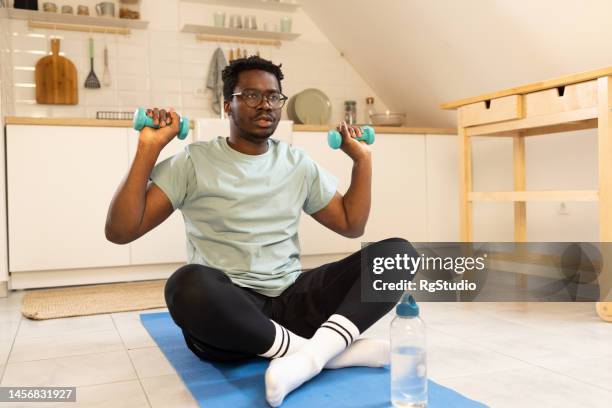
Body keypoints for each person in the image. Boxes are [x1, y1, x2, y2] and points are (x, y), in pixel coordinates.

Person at [105, 56, 417, 407]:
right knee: (185, 284)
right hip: (231, 313)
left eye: (273, 96)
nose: (265, 104)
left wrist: (362, 160)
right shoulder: (193, 161)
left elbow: (350, 224)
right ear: (228, 104)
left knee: (399, 253)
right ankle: (326, 353)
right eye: (252, 95)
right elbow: (121, 231)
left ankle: (308, 356)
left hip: (293, 299)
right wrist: (149, 148)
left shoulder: (297, 164)